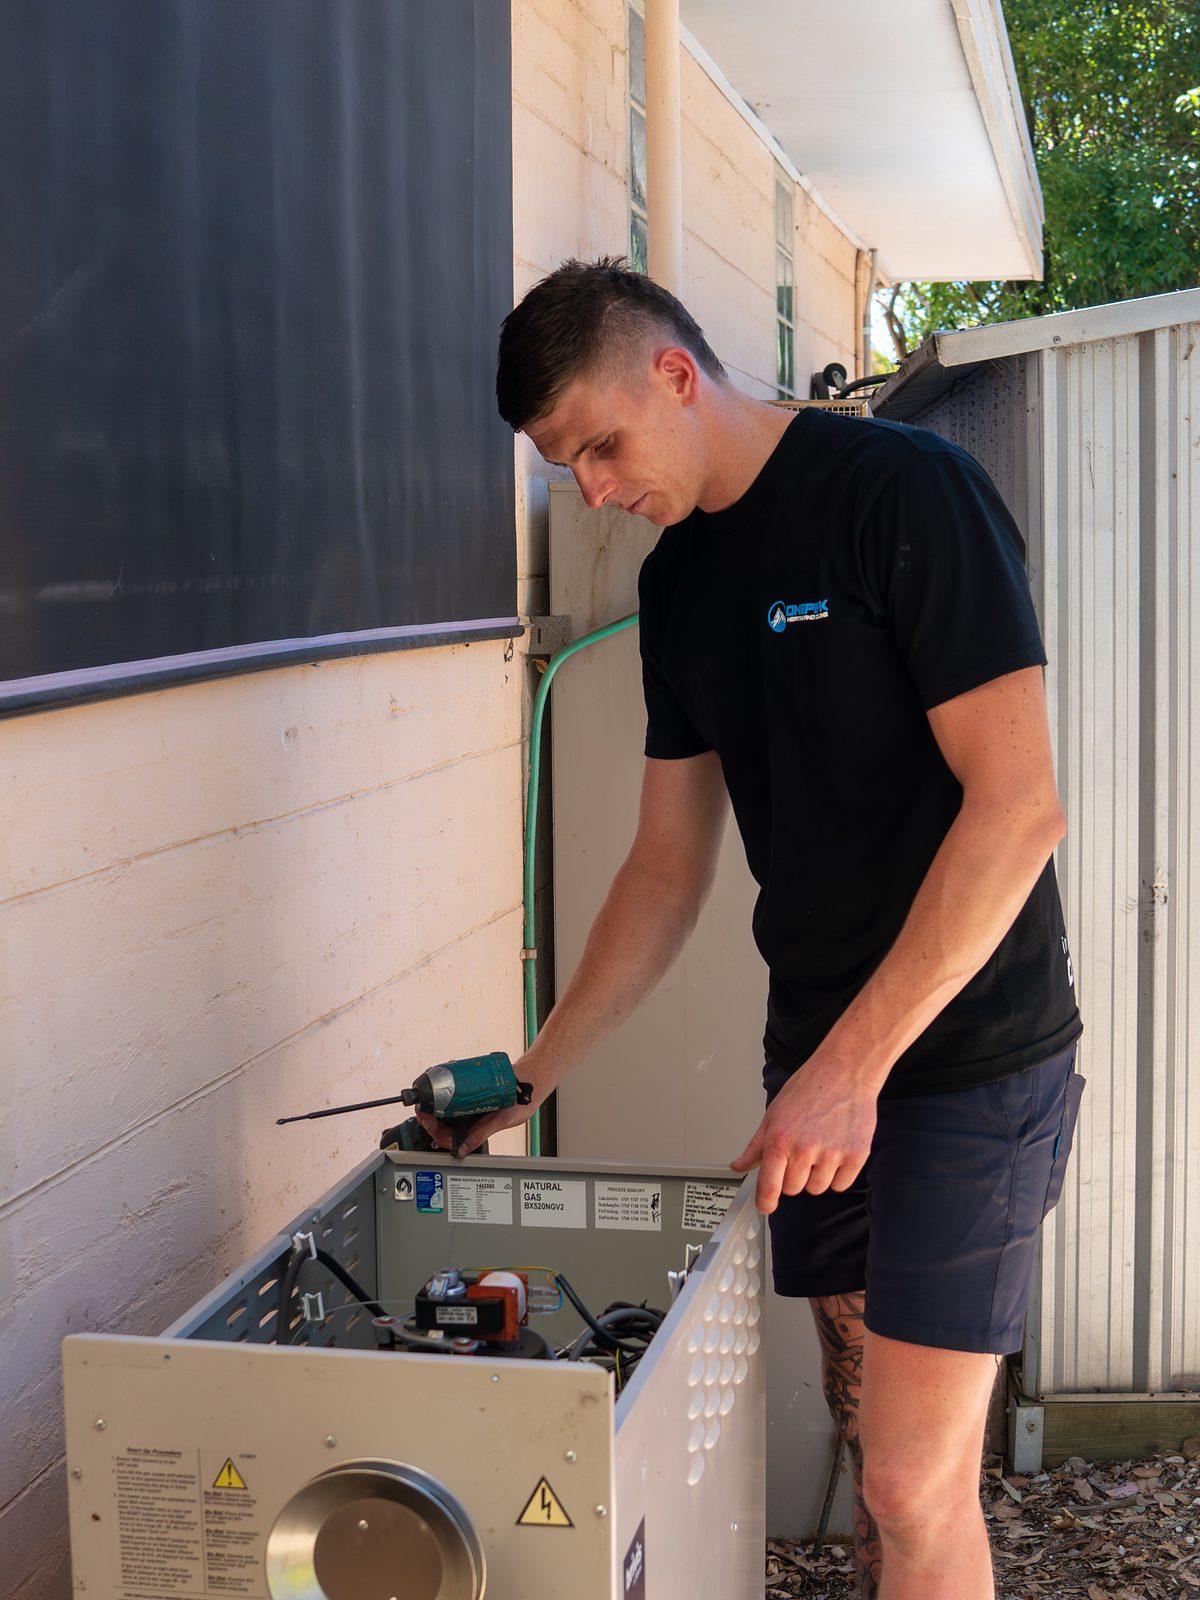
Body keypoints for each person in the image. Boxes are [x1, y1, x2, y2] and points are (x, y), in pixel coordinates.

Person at [419, 259, 1084, 1600]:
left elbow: (1020, 810)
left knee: (912, 1482)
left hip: (964, 1057)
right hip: (820, 1070)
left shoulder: (904, 494)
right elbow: (665, 871)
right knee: (876, 1447)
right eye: (565, 466)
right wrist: (530, 1075)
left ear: (676, 374)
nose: (593, 489)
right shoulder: (681, 585)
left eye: (601, 446)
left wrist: (853, 1068)